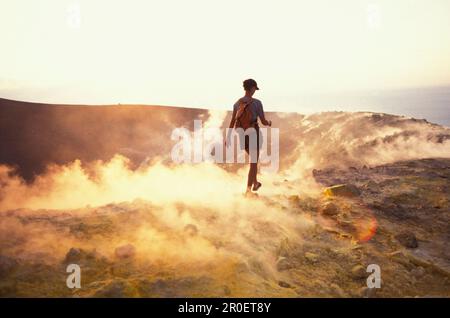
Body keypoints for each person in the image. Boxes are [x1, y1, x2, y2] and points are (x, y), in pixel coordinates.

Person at [226, 79, 272, 195]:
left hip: (241, 133)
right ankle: (248, 191)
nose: (255, 91)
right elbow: (263, 121)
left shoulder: (237, 103)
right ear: (251, 88)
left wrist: (228, 136)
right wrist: (269, 123)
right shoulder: (257, 103)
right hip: (253, 132)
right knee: (253, 162)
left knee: (253, 160)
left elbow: (232, 121)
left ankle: (255, 183)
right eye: (254, 89)